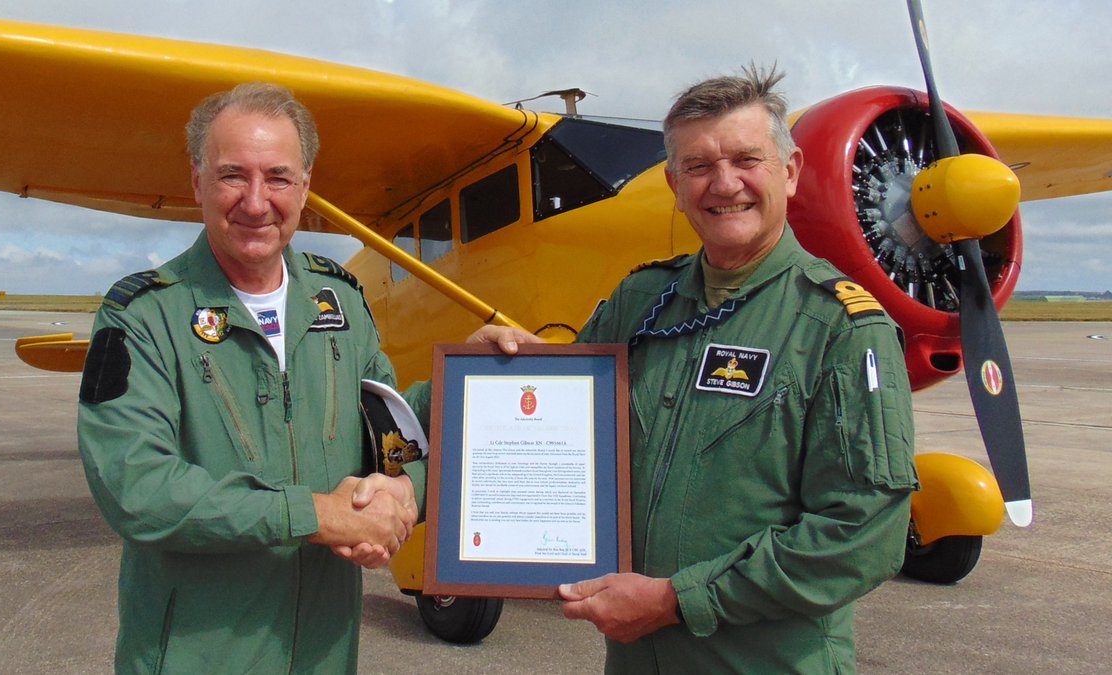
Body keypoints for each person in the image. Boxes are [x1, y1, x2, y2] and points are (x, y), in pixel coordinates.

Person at [468, 64, 918, 673]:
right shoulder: (641, 300)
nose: (723, 183)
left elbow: (861, 536)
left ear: (789, 172)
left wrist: (676, 601)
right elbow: (559, 420)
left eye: (746, 160)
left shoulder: (842, 326)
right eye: (699, 166)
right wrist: (509, 369)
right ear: (674, 186)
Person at [76, 82, 424, 674]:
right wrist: (316, 515)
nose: (257, 202)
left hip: (323, 655)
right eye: (233, 175)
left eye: (279, 178)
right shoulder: (142, 314)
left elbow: (391, 433)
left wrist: (395, 492)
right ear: (197, 182)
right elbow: (137, 489)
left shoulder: (338, 301)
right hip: (196, 656)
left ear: (306, 185)